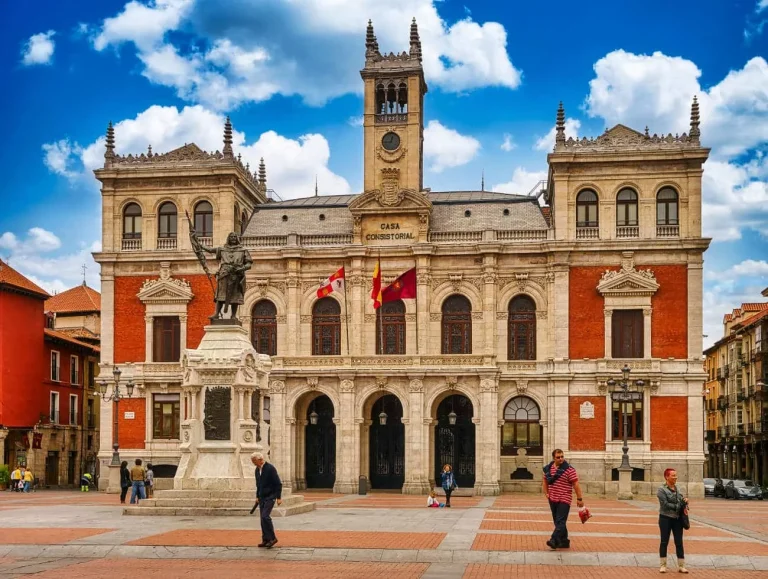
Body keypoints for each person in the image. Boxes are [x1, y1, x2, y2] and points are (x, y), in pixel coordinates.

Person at [542, 448, 584, 550]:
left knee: (560, 521)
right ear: (553, 458)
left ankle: (553, 540)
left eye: (562, 457)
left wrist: (580, 498)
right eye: (558, 457)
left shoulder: (569, 469)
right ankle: (564, 541)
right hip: (553, 498)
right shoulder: (548, 469)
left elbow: (576, 484)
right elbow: (545, 481)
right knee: (558, 521)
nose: (561, 459)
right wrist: (546, 493)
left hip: (565, 498)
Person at [658, 468, 689, 574]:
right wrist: (677, 506)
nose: (675, 477)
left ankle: (681, 566)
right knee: (664, 541)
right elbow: (665, 505)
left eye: (676, 475)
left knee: (679, 542)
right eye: (673, 475)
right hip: (665, 518)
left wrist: (685, 500)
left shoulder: (678, 488)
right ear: (667, 477)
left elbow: (681, 499)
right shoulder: (661, 490)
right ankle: (663, 565)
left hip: (677, 519)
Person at [251, 452, 282, 548]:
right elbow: (258, 485)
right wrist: (257, 496)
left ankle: (273, 538)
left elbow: (278, 483)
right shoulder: (257, 470)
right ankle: (265, 539)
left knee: (265, 516)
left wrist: (279, 497)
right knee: (262, 519)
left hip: (270, 496)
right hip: (262, 497)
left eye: (254, 461)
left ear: (260, 460)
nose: (253, 463)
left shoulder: (270, 468)